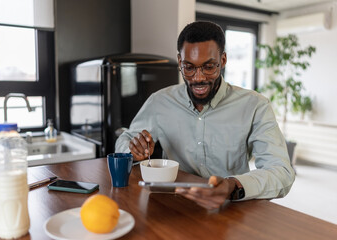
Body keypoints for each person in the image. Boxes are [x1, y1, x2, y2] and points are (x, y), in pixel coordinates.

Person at [115, 21, 295, 209]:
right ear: (180, 62)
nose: (198, 78)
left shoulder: (255, 105)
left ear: (223, 60)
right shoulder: (159, 102)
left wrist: (232, 185)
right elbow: (125, 139)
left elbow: (281, 172)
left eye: (209, 67)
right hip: (176, 207)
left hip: (231, 209)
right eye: (189, 67)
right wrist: (134, 150)